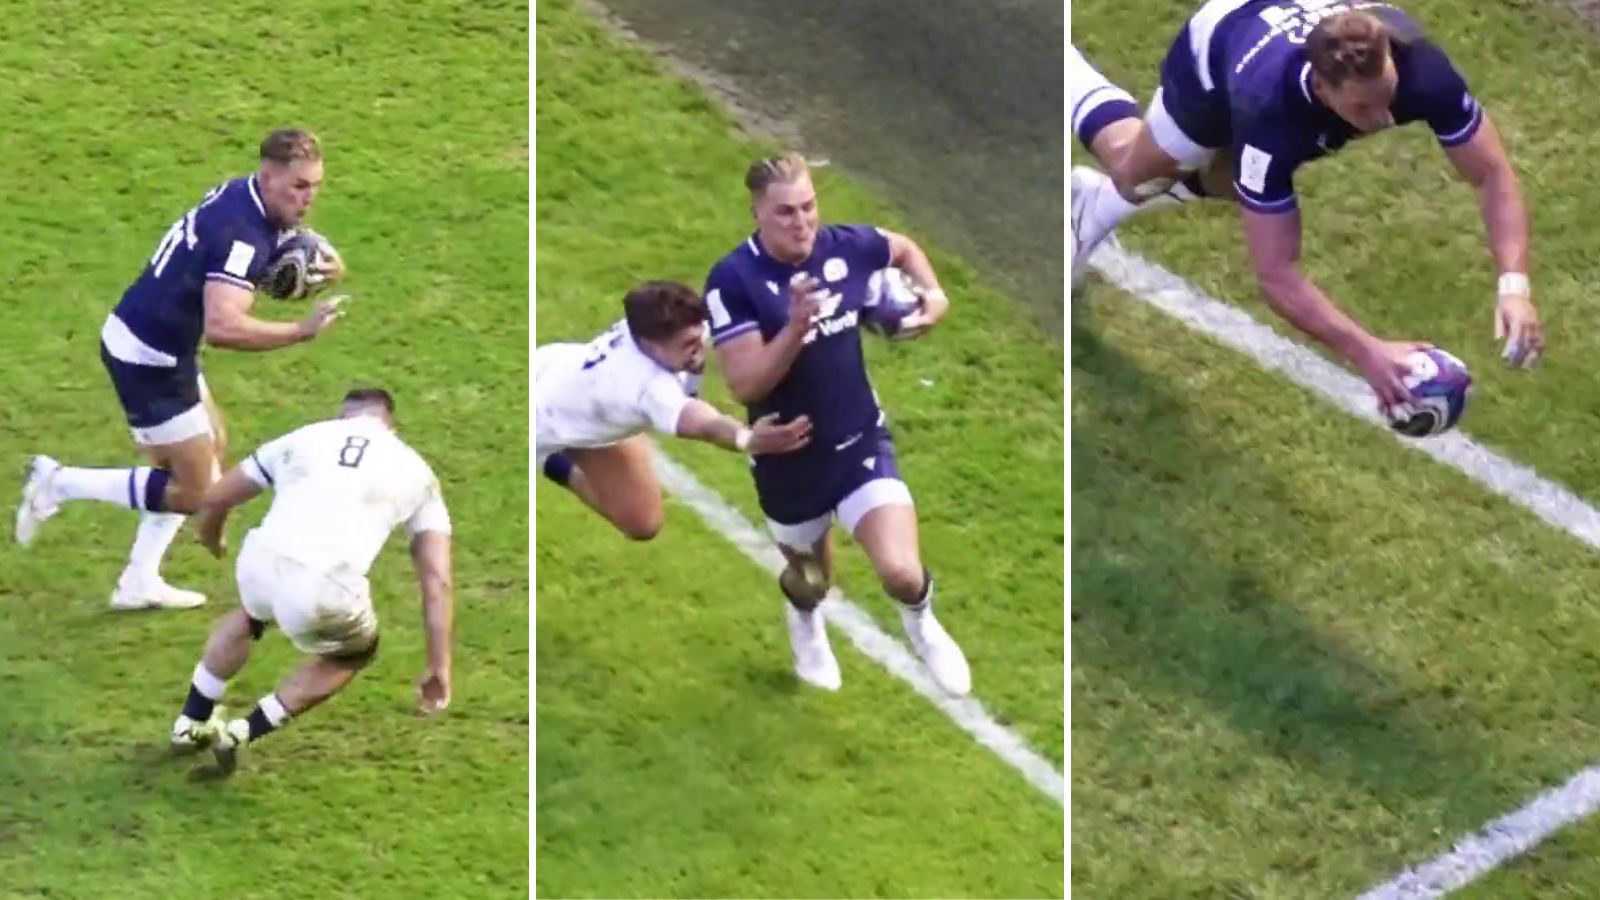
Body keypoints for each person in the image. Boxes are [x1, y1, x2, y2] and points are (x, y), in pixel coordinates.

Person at [1070, 1, 1544, 420]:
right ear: (1321, 86)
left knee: (1236, 187)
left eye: (1387, 96)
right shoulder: (1270, 115)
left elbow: (1491, 174)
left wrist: (1514, 285)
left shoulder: (1421, 67)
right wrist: (1368, 353)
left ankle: (1091, 207)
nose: (1381, 120)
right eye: (1362, 109)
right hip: (1219, 47)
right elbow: (1277, 276)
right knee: (1136, 171)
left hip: (1283, 24)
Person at [14, 128, 347, 610]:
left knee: (213, 443)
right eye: (299, 187)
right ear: (269, 176)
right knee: (198, 492)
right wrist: (301, 329)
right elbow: (224, 326)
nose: (309, 198)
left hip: (160, 341)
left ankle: (137, 581)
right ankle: (58, 483)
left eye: (315, 186)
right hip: (149, 360)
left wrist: (302, 256)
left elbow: (246, 250)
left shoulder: (241, 192)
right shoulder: (243, 237)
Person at [701, 153, 970, 695]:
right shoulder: (734, 281)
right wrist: (797, 327)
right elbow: (745, 384)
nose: (801, 222)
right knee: (812, 582)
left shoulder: (845, 247)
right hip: (789, 460)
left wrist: (934, 296)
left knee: (900, 571)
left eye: (808, 207)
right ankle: (805, 619)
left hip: (859, 441)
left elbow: (903, 249)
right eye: (784, 213)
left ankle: (922, 622)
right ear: (756, 212)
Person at [168, 388, 453, 773]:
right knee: (353, 653)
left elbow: (219, 495)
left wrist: (211, 534)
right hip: (324, 588)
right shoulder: (418, 473)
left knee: (250, 615)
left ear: (343, 415)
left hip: (260, 560)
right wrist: (439, 664)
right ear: (390, 423)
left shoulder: (305, 436)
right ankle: (241, 731)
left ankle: (190, 722)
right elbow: (436, 580)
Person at [537, 279, 814, 540]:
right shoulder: (644, 386)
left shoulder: (656, 327)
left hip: (561, 376)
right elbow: (705, 424)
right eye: (687, 346)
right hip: (543, 421)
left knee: (642, 524)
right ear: (650, 347)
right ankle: (546, 456)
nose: (696, 351)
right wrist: (749, 439)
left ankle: (560, 459)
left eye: (697, 340)